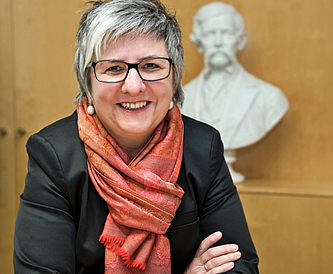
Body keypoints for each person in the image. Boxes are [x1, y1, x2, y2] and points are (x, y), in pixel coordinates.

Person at [13, 0, 258, 273]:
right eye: (114, 68)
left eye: (151, 66)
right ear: (87, 83)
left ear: (174, 77)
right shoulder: (54, 155)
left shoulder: (203, 146)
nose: (133, 86)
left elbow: (240, 265)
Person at [182, 2, 289, 182]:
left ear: (240, 41)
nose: (217, 42)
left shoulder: (270, 99)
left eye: (225, 33)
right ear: (198, 43)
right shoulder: (182, 99)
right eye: (209, 34)